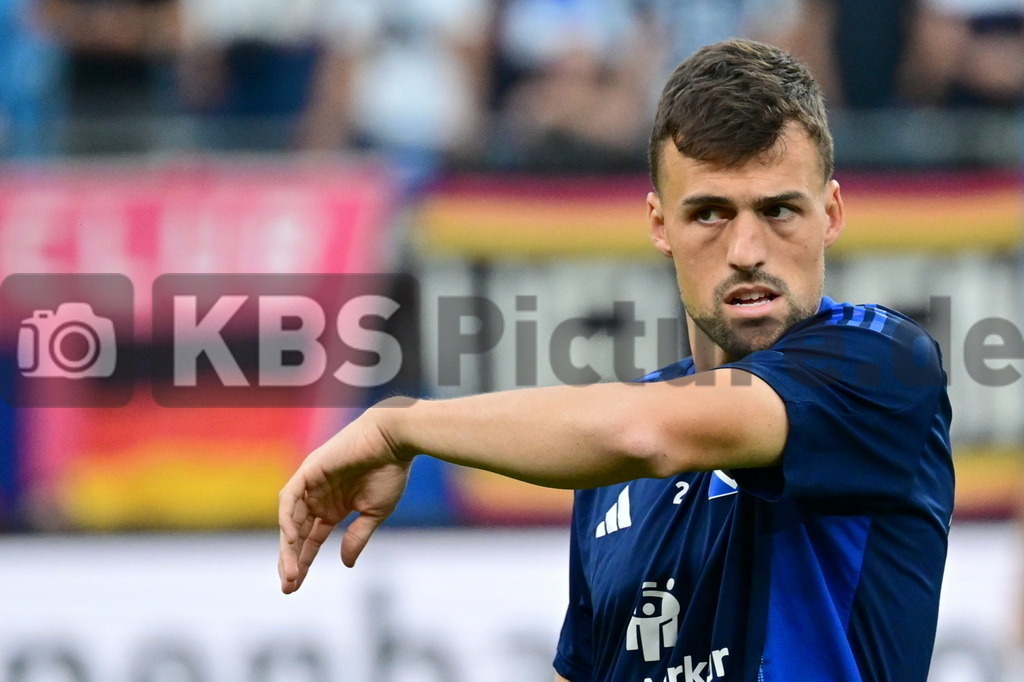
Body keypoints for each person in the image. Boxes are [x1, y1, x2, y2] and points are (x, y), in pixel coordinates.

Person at [278, 39, 955, 681]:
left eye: (779, 210)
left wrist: (400, 425)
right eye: (710, 214)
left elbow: (648, 433)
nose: (747, 250)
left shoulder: (885, 364)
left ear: (830, 215)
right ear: (660, 225)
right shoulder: (610, 470)